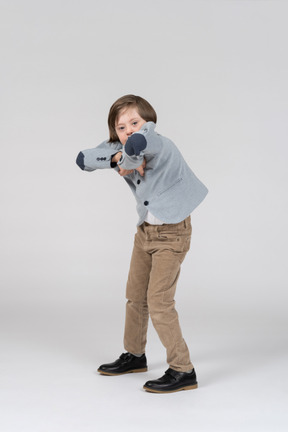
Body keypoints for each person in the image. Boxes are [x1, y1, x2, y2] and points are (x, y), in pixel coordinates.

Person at [76, 94, 208, 393]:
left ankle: (183, 370)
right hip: (145, 232)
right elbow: (83, 159)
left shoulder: (158, 142)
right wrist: (115, 158)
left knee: (160, 303)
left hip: (172, 234)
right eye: (120, 127)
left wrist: (127, 155)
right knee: (135, 297)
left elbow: (139, 147)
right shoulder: (122, 147)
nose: (128, 131)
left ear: (148, 122)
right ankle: (134, 356)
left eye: (134, 122)